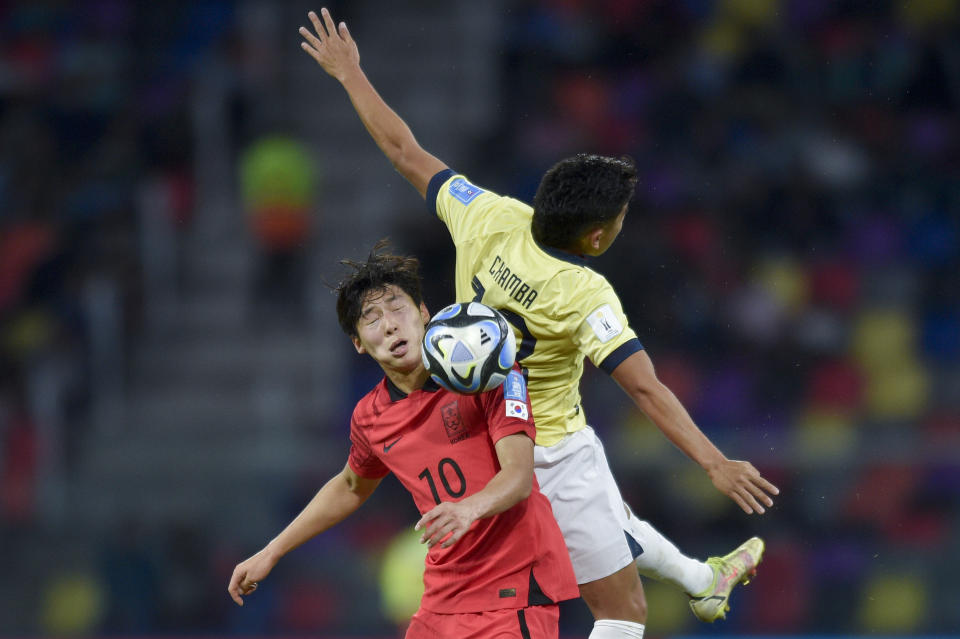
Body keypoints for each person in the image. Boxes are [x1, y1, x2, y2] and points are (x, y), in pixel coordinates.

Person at [299, 8, 780, 636]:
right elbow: (643, 387)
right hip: (547, 451)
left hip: (465, 433)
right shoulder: (586, 293)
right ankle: (704, 582)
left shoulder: (490, 216)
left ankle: (703, 580)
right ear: (600, 234)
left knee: (612, 521)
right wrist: (714, 462)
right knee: (622, 612)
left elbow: (403, 150)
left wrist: (351, 74)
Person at [227, 242, 579, 638]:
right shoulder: (370, 417)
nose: (390, 324)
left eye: (398, 308)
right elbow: (350, 485)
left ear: (424, 314)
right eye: (372, 319)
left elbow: (518, 476)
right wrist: (271, 551)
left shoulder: (487, 370)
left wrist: (468, 510)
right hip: (443, 598)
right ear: (358, 343)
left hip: (513, 589)